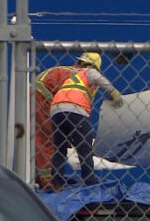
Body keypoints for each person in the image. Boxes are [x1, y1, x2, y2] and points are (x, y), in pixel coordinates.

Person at [49, 52, 124, 190]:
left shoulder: (71, 77)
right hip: (75, 109)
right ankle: (89, 179)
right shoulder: (89, 72)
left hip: (56, 110)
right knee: (84, 145)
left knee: (60, 149)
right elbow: (100, 79)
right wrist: (114, 92)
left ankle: (57, 181)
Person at [33, 60, 84, 191]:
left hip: (41, 96)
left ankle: (41, 178)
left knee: (42, 138)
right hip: (44, 99)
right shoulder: (82, 79)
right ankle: (49, 183)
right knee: (48, 141)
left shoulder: (69, 71)